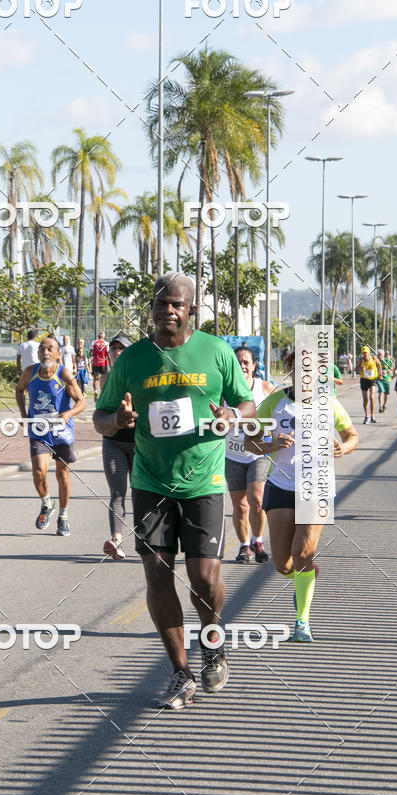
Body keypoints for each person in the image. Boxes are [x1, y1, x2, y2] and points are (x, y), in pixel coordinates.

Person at [94, 272, 256, 710]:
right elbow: (101, 416)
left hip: (204, 482)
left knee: (204, 579)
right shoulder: (131, 360)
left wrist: (234, 415)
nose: (168, 310)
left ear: (191, 311)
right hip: (151, 482)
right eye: (162, 303)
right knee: (157, 576)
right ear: (152, 308)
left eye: (177, 304)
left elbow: (247, 403)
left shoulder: (216, 351)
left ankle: (213, 642)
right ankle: (179, 673)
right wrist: (118, 423)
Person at [248, 350, 359, 642]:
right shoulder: (275, 402)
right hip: (281, 485)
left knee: (302, 553)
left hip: (318, 486)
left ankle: (302, 621)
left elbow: (352, 435)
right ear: (291, 370)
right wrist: (271, 445)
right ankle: (305, 572)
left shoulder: (329, 403)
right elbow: (250, 441)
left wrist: (343, 449)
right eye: (300, 369)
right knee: (283, 563)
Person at [15, 336, 86, 536]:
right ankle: (47, 503)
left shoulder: (65, 374)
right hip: (39, 430)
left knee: (62, 473)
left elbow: (81, 402)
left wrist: (68, 414)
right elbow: (19, 390)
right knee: (39, 471)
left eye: (50, 349)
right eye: (42, 349)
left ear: (57, 354)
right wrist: (23, 414)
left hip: (62, 431)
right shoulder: (30, 372)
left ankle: (63, 515)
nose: (45, 352)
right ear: (38, 353)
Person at [225, 347, 275, 564]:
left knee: (257, 499)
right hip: (232, 455)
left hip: (259, 453)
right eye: (238, 362)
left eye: (247, 362)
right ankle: (245, 546)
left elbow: (281, 410)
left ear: (254, 366)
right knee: (240, 505)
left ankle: (258, 541)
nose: (243, 365)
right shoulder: (224, 390)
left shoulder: (265, 388)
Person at [100, 332, 136, 560]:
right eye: (113, 348)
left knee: (142, 493)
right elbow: (102, 412)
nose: (117, 352)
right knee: (117, 493)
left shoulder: (140, 376)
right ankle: (116, 540)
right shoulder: (105, 379)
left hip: (139, 443)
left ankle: (148, 540)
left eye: (122, 348)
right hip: (113, 441)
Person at [358, 346, 381, 423]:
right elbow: (355, 369)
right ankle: (367, 416)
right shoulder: (360, 360)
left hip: (372, 379)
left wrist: (380, 375)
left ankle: (372, 416)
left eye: (366, 353)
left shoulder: (374, 358)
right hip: (364, 380)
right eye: (364, 353)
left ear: (369, 352)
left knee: (371, 397)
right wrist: (360, 369)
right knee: (365, 399)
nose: (365, 354)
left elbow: (379, 365)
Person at [91, 331, 110, 401]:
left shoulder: (93, 343)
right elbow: (108, 354)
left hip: (95, 363)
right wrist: (110, 365)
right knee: (104, 378)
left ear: (98, 336)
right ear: (104, 336)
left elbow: (91, 353)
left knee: (95, 379)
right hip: (103, 363)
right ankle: (103, 393)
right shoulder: (106, 343)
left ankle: (96, 391)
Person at [376, 348, 394, 413]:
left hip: (387, 379)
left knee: (387, 393)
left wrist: (386, 371)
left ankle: (384, 405)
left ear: (383, 355)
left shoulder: (387, 360)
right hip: (379, 379)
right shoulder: (376, 362)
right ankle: (380, 406)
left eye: (381, 355)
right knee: (381, 391)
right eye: (378, 355)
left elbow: (391, 368)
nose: (380, 356)